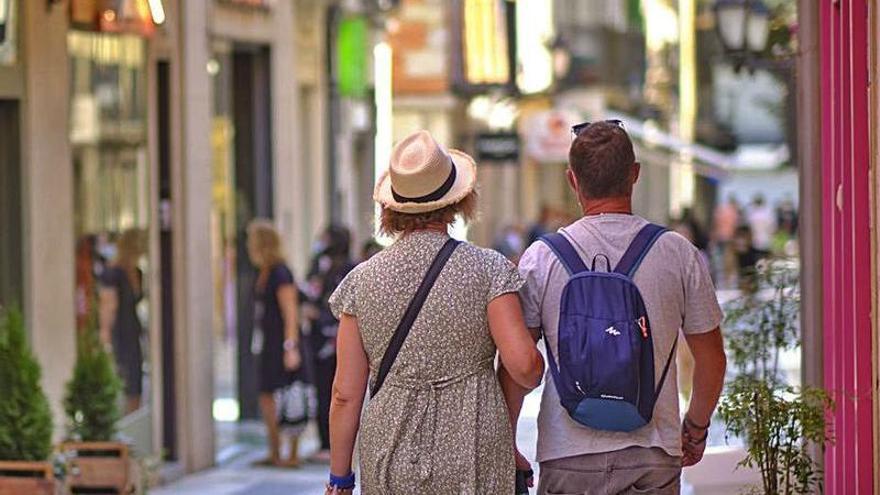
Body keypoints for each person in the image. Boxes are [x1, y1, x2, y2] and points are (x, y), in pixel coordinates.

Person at [324, 130, 544, 494]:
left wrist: (340, 477)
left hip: (389, 451)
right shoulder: (488, 269)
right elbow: (523, 365)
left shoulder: (361, 282)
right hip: (474, 445)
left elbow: (345, 394)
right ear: (457, 201)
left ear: (391, 208)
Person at [514, 121, 727, 494]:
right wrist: (695, 427)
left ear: (572, 180)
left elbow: (517, 365)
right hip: (652, 452)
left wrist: (508, 439)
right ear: (635, 175)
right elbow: (711, 359)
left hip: (567, 457)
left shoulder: (541, 259)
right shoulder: (676, 253)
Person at [246, 220, 304, 467]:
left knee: (289, 394)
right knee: (267, 395)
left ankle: (291, 453)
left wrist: (290, 346)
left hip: (281, 342)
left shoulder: (281, 272)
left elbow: (290, 312)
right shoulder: (264, 271)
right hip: (267, 341)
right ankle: (275, 450)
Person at [302, 224, 356, 463]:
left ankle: (335, 446)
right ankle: (327, 443)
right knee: (328, 392)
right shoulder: (321, 264)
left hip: (336, 338)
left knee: (341, 393)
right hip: (322, 340)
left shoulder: (347, 268)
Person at [99, 229, 146, 415]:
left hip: (133, 332)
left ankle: (133, 417)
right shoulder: (113, 273)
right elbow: (107, 306)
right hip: (120, 333)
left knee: (135, 381)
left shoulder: (137, 272)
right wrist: (105, 336)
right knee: (123, 378)